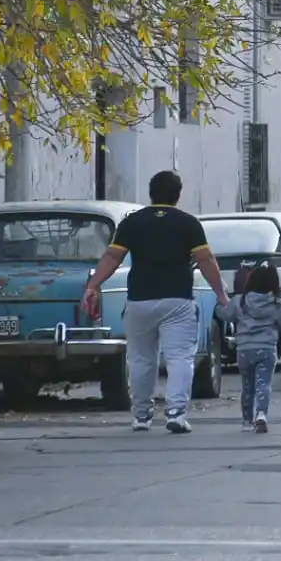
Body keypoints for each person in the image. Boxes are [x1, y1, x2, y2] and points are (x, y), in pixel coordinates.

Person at [82, 170, 229, 434]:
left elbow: (112, 258)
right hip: (177, 300)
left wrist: (93, 286)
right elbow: (206, 261)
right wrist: (220, 293)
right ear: (178, 195)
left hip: (140, 300)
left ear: (150, 194)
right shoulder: (188, 224)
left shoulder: (131, 223)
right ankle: (175, 412)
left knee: (140, 360)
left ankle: (140, 415)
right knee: (180, 357)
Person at [215, 262, 281, 433]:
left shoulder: (240, 302)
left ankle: (246, 420)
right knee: (263, 384)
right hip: (266, 349)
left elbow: (224, 313)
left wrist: (218, 302)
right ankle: (261, 414)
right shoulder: (277, 305)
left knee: (247, 386)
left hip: (244, 350)